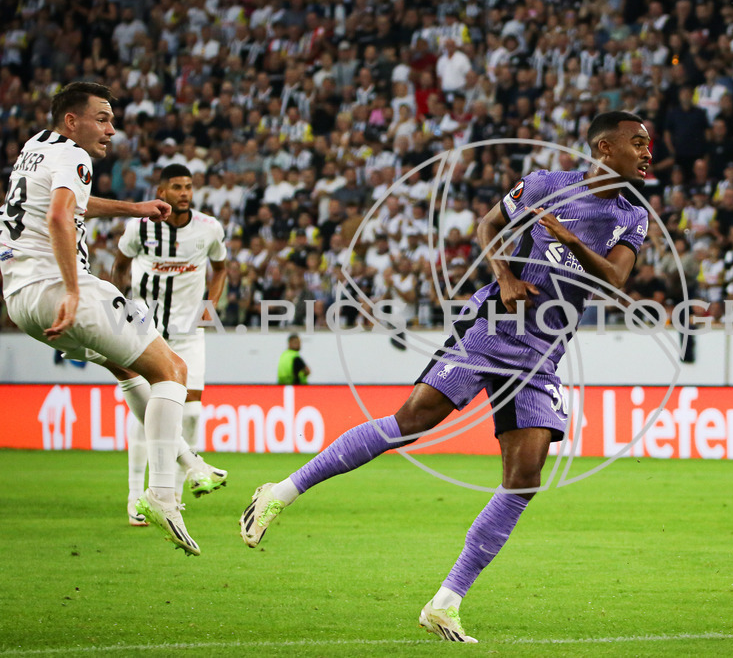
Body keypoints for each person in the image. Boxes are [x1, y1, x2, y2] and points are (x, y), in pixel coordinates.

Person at [239, 111, 651, 642]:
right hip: (494, 328)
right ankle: (282, 490)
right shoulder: (547, 185)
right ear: (603, 147)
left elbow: (617, 278)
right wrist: (503, 275)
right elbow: (486, 224)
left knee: (524, 478)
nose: (646, 152)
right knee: (410, 422)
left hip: (542, 352)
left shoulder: (631, 216)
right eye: (637, 142)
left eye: (647, 145)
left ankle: (445, 602)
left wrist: (569, 241)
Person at [0, 82, 221, 555]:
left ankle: (187, 463)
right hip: (58, 289)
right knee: (172, 371)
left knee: (126, 370)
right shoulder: (74, 157)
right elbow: (61, 218)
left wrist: (134, 208)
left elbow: (69, 205)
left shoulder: (35, 148)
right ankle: (162, 494)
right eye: (102, 118)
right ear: (71, 121)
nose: (111, 129)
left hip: (20, 300)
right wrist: (75, 291)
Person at [111, 163, 229, 525]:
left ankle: (172, 495)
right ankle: (135, 496)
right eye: (176, 186)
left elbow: (221, 267)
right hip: (147, 329)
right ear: (161, 192)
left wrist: (209, 307)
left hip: (189, 332)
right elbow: (119, 265)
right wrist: (123, 310)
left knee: (191, 413)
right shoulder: (141, 228)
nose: (184, 193)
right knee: (147, 410)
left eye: (189, 186)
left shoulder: (209, 228)